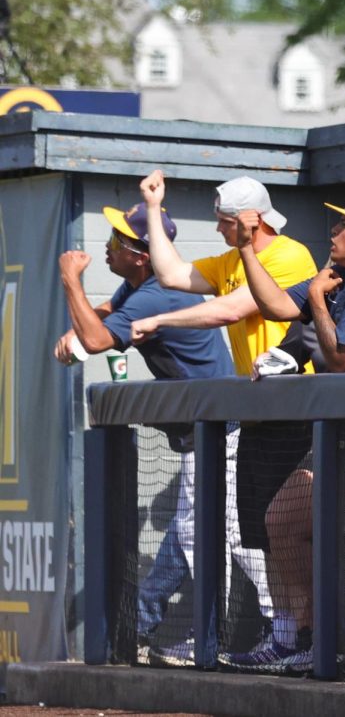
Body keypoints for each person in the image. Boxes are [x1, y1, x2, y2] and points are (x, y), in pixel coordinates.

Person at [130, 171, 319, 662]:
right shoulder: (235, 257)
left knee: (294, 535)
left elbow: (231, 310)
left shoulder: (290, 254)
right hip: (257, 411)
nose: (217, 231)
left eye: (223, 223)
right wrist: (153, 208)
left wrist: (159, 319)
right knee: (260, 533)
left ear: (248, 223)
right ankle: (286, 637)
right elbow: (175, 276)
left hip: (299, 410)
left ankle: (319, 634)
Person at [221, 191, 345, 674]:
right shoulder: (341, 277)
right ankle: (309, 636)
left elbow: (342, 362)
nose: (333, 230)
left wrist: (320, 301)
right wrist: (244, 250)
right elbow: (279, 306)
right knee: (288, 525)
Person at [54, 201, 234, 665]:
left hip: (219, 433)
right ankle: (145, 624)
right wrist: (78, 332)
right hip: (200, 431)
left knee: (225, 540)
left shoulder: (158, 295)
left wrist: (70, 281)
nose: (107, 247)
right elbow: (103, 316)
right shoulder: (137, 284)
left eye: (117, 242)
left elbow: (97, 339)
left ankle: (238, 635)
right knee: (186, 535)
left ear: (141, 255)